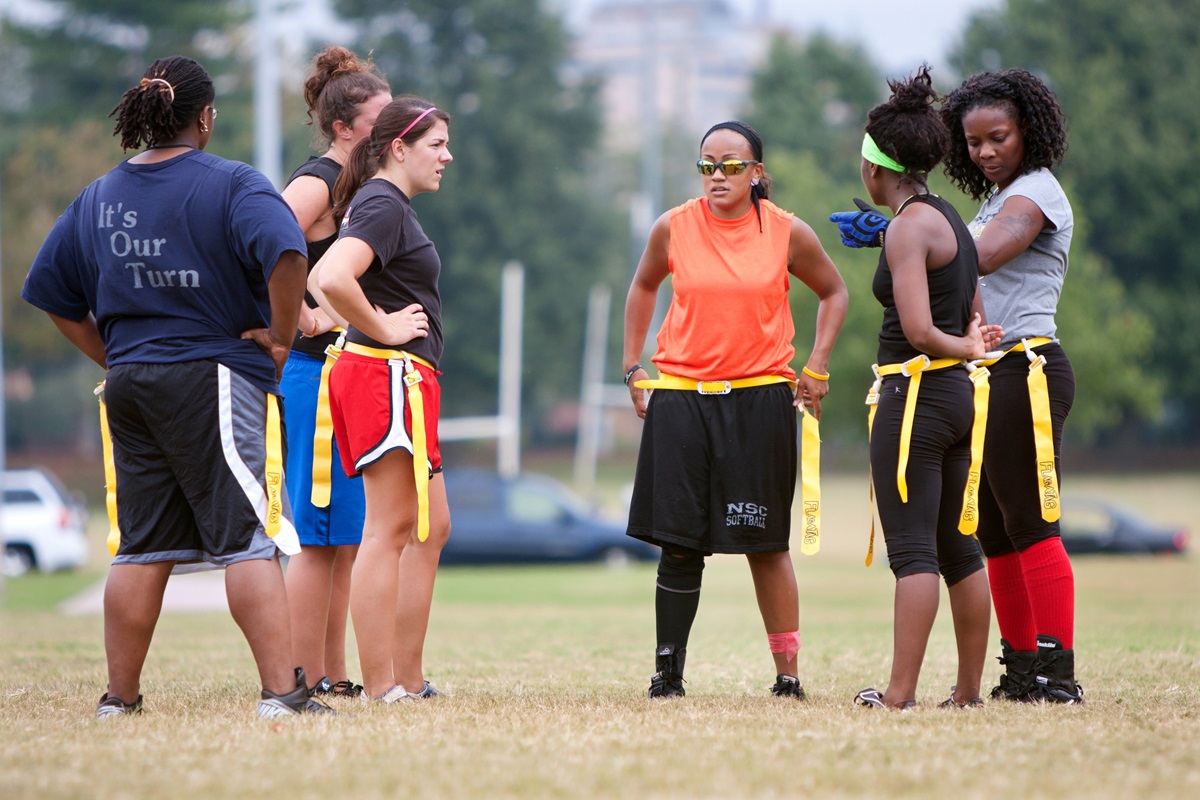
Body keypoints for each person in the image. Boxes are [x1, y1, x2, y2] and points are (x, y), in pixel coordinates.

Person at [20, 56, 330, 718]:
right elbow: (288, 252)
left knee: (142, 544)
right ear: (205, 117)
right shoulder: (234, 184)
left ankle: (119, 700)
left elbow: (52, 295)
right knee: (249, 536)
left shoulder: (99, 195)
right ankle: (282, 694)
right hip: (212, 377)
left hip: (131, 384)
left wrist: (114, 357)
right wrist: (280, 337)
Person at [623, 120, 849, 699]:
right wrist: (633, 366)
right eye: (707, 165)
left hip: (759, 403)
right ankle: (667, 674)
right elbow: (643, 287)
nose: (717, 176)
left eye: (730, 165)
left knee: (765, 545)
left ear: (757, 173)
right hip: (682, 402)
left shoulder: (786, 231)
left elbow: (834, 291)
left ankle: (788, 678)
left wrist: (817, 365)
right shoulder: (673, 227)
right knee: (679, 545)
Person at [829, 68, 1001, 710]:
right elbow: (974, 305)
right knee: (960, 546)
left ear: (877, 170)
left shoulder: (907, 229)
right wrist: (974, 342)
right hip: (958, 402)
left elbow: (924, 330)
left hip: (915, 399)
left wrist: (965, 345)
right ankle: (966, 693)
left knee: (912, 552)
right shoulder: (950, 219)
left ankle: (898, 695)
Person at [941, 68, 1083, 704]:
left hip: (1028, 369)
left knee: (1030, 521)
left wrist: (906, 230)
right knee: (994, 530)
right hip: (987, 376)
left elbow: (984, 254)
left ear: (1028, 130)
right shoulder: (991, 200)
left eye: (997, 137)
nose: (986, 151)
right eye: (973, 143)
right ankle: (1021, 672)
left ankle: (1058, 676)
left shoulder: (1038, 193)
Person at [309, 98, 453, 703]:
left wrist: (338, 324)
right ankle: (382, 687)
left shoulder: (386, 204)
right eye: (437, 144)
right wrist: (385, 327)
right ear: (399, 147)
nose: (447, 156)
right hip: (384, 372)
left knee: (431, 526)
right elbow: (330, 276)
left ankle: (408, 680)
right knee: (389, 528)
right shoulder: (381, 201)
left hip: (403, 377)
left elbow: (331, 287)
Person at [279, 45, 391, 700]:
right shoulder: (318, 179)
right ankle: (294, 676)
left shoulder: (360, 185)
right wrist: (301, 319)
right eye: (381, 120)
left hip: (349, 374)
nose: (392, 131)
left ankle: (334, 671)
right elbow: (261, 248)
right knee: (318, 537)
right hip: (315, 376)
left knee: (344, 538)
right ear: (344, 126)